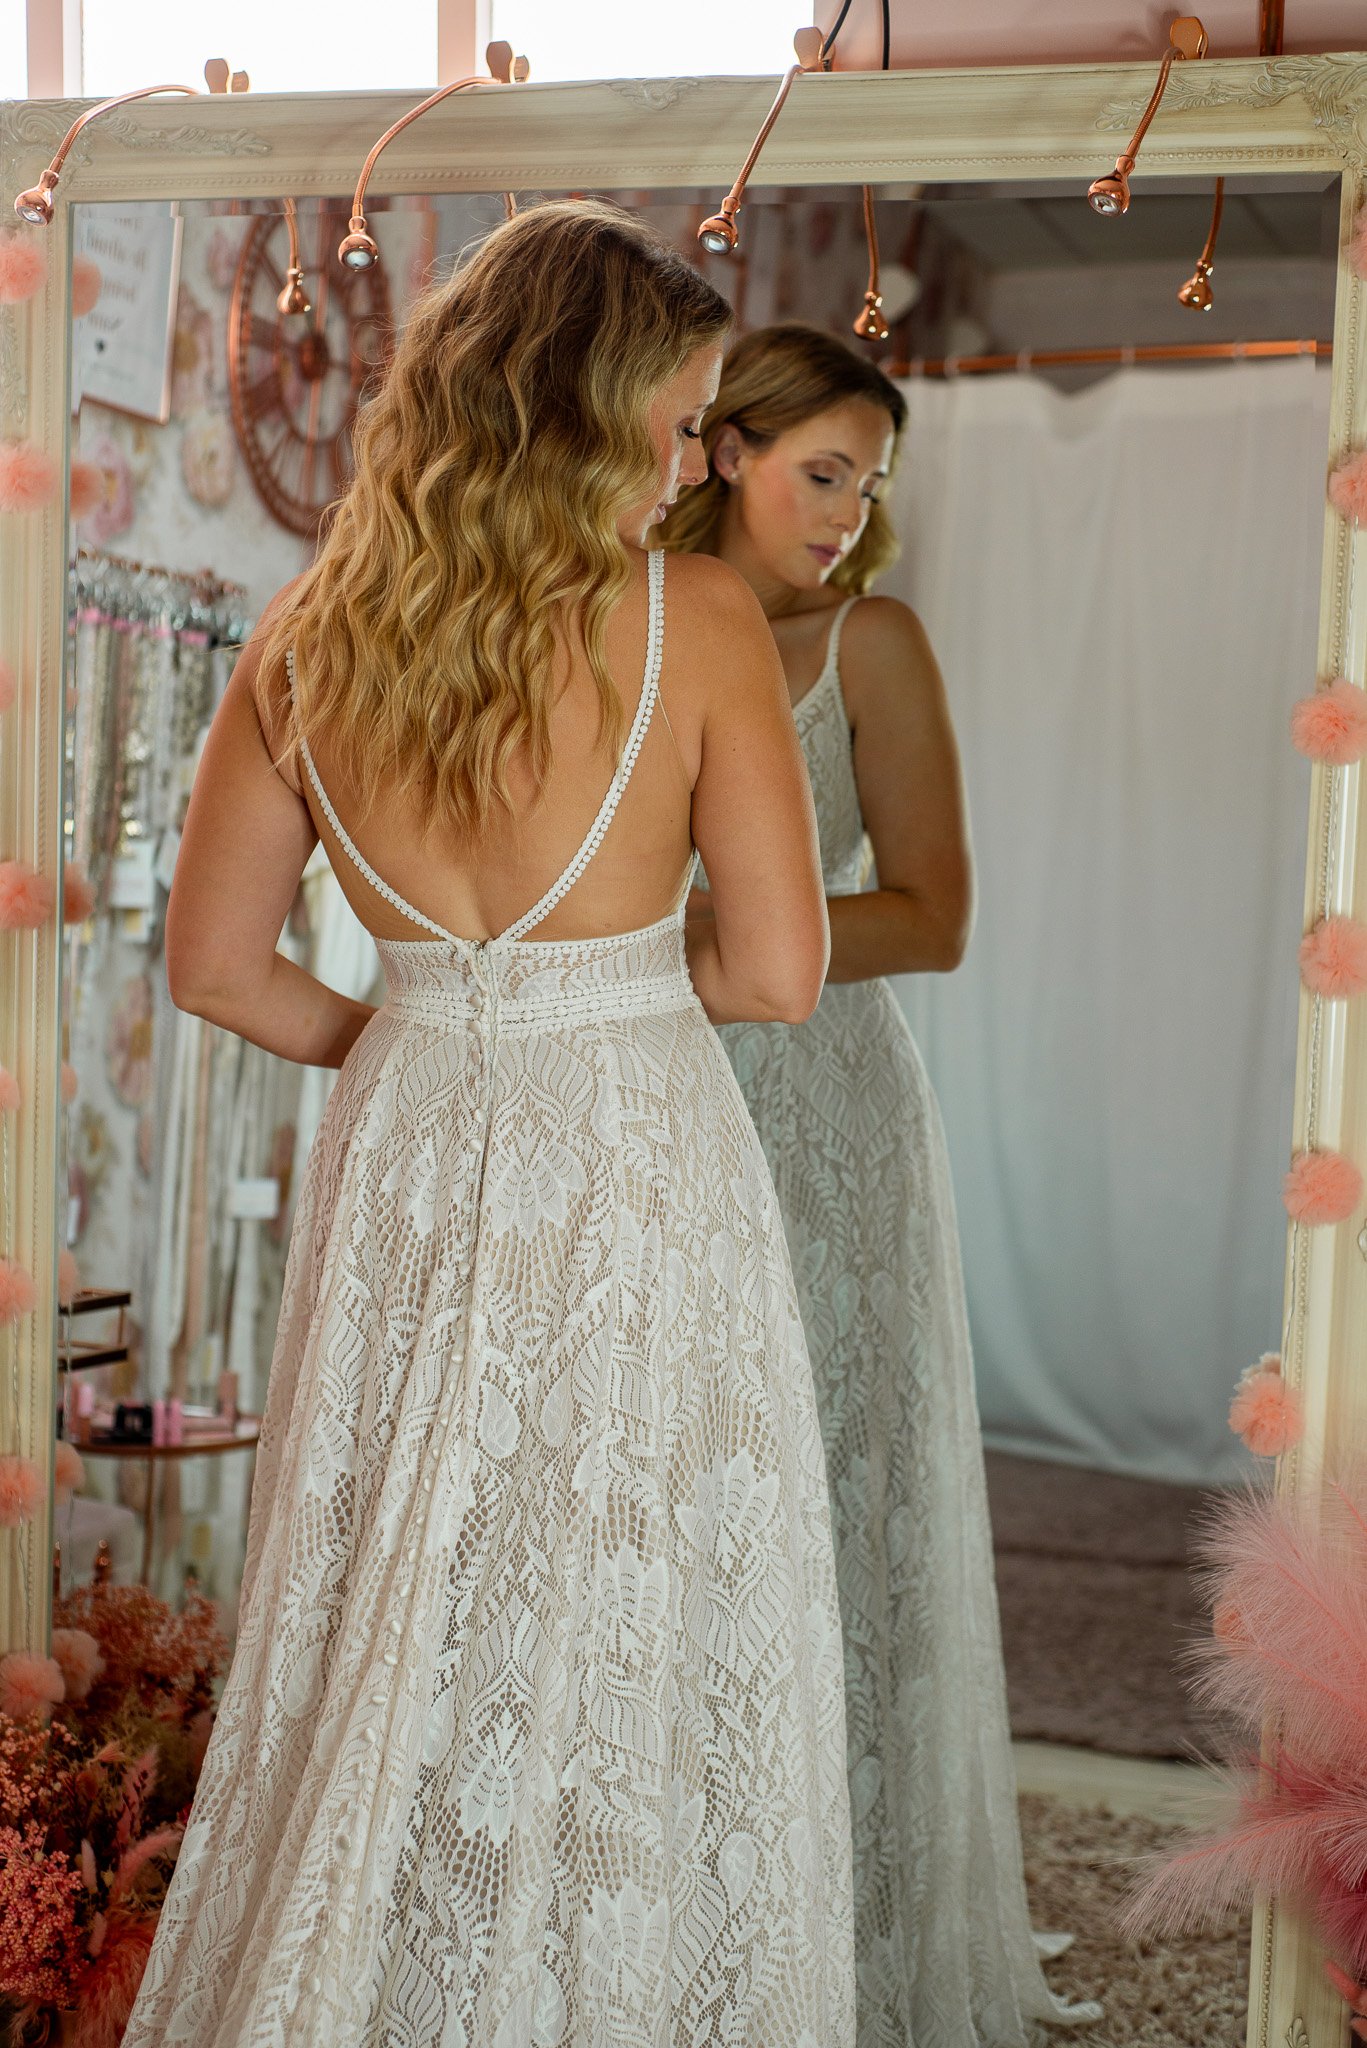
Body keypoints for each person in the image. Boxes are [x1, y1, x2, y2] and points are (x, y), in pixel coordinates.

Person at [121, 210, 855, 2048]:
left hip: (415, 1140)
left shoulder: (305, 632)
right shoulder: (695, 617)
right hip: (629, 1148)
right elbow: (776, 977)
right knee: (628, 1590)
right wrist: (579, 1003)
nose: (698, 470)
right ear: (588, 410)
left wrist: (422, 1038)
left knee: (401, 1591)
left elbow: (214, 966)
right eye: (685, 428)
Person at [661, 324, 1099, 2046]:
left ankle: (844, 1922)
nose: (847, 515)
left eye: (868, 485)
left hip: (820, 1095)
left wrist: (722, 939)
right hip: (645, 1091)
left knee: (830, 1480)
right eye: (821, 471)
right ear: (722, 452)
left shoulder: (871, 643)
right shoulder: (620, 618)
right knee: (678, 1474)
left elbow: (936, 914)